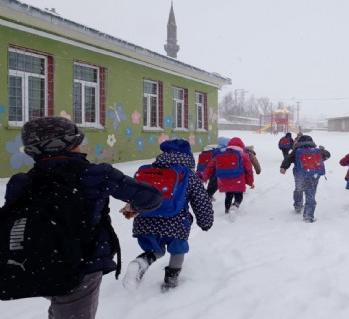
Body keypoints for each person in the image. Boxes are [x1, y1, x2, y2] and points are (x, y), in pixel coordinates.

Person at [2, 116, 162, 318]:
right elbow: (152, 197)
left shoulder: (21, 182)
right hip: (81, 265)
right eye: (78, 142)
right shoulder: (96, 175)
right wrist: (135, 205)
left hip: (35, 263)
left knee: (60, 305)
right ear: (69, 145)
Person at [123, 139, 214, 292]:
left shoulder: (148, 171)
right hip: (176, 223)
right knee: (178, 250)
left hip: (145, 220)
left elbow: (134, 194)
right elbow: (201, 200)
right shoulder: (188, 175)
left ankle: (140, 263)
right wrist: (205, 222)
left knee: (156, 250)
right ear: (187, 156)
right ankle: (170, 283)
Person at [200, 137, 255, 219]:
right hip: (238, 180)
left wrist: (204, 177)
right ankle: (235, 206)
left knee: (228, 195)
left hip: (224, 180)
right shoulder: (244, 155)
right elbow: (249, 170)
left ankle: (227, 211)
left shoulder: (220, 154)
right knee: (239, 196)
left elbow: (210, 167)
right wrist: (250, 182)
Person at [280, 135, 330, 222]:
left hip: (300, 175)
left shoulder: (296, 151)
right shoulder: (316, 151)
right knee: (310, 194)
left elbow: (288, 158)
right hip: (313, 176)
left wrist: (283, 167)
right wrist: (323, 150)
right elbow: (327, 155)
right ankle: (308, 216)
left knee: (298, 190)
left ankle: (298, 206)